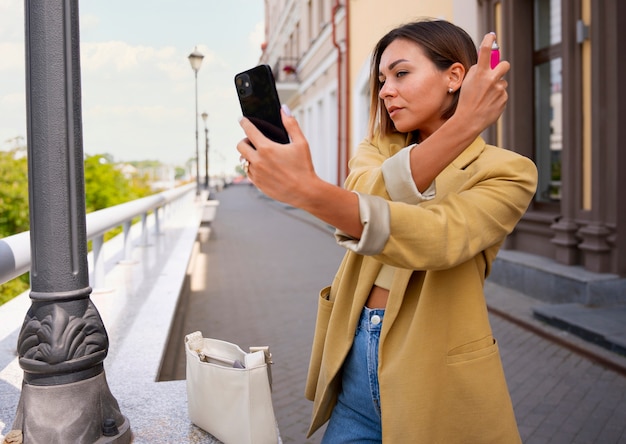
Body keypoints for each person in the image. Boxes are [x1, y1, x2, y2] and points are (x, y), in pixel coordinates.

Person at [237, 19, 537, 443]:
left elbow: (436, 238)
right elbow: (365, 197)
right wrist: (463, 122)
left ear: (455, 77)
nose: (384, 90)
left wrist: (308, 192)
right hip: (354, 372)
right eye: (381, 79)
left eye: (401, 73)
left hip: (434, 380)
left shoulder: (508, 172)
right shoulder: (378, 147)